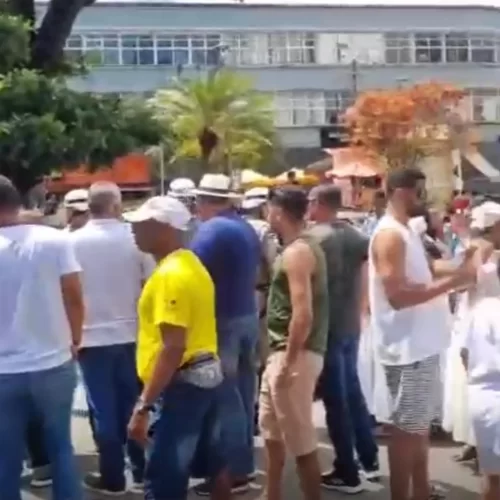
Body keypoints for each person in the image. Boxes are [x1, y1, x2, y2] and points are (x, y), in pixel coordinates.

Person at [369, 168, 476, 500]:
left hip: (419, 347)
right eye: (419, 190)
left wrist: (461, 268)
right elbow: (398, 295)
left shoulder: (404, 231)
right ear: (400, 192)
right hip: (407, 349)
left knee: (416, 432)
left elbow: (425, 269)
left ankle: (421, 492)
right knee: (406, 433)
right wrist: (455, 282)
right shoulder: (389, 235)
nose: (423, 197)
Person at [125, 196, 230, 500]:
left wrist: (143, 405)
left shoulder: (171, 275)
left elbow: (172, 346)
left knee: (165, 473)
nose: (134, 229)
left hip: (182, 382)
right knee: (212, 460)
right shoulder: (190, 263)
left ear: (166, 229)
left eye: (142, 224)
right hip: (204, 372)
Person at [0, 175, 84, 500]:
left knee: (5, 457)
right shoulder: (55, 240)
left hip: (4, 372)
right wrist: (75, 340)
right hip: (54, 362)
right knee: (60, 446)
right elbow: (74, 296)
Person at [70, 181, 153, 495]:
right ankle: (143, 471)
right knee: (136, 406)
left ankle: (113, 478)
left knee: (104, 411)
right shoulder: (136, 239)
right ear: (117, 206)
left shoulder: (73, 242)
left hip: (91, 338)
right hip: (133, 335)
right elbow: (149, 285)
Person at [190, 174, 261, 495]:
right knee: (244, 395)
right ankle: (242, 463)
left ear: (203, 200)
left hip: (224, 320)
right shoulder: (244, 226)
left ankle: (232, 471)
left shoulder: (212, 231)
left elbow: (192, 271)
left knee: (225, 399)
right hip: (246, 315)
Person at [307, 184, 379, 493]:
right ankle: (369, 459)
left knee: (336, 402)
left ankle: (347, 470)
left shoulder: (315, 239)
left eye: (311, 200)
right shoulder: (356, 236)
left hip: (328, 328)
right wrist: (361, 311)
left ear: (320, 203)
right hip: (349, 323)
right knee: (352, 395)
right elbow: (364, 276)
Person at [259, 186, 328, 500]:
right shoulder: (298, 247)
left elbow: (303, 314)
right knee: (272, 432)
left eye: (269, 209)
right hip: (282, 352)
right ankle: (271, 494)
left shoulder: (297, 252)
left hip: (293, 354)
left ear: (278, 212)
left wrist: (288, 361)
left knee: (301, 441)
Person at [458, 202, 500, 500]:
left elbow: (464, 355)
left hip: (482, 395)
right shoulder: (481, 251)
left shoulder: (481, 311)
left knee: (492, 476)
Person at [168, 177, 199, 244]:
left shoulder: (198, 222)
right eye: (182, 199)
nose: (187, 203)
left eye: (191, 199)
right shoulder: (165, 221)